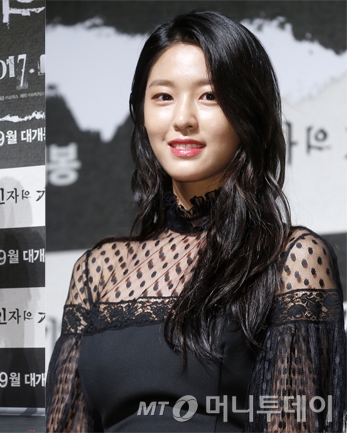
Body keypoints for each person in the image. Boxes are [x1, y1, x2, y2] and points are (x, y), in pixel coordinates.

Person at [46, 10, 346, 433]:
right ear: (142, 112)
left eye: (209, 96)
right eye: (162, 96)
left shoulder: (291, 260)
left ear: (249, 112)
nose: (182, 118)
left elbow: (297, 421)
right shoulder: (97, 270)